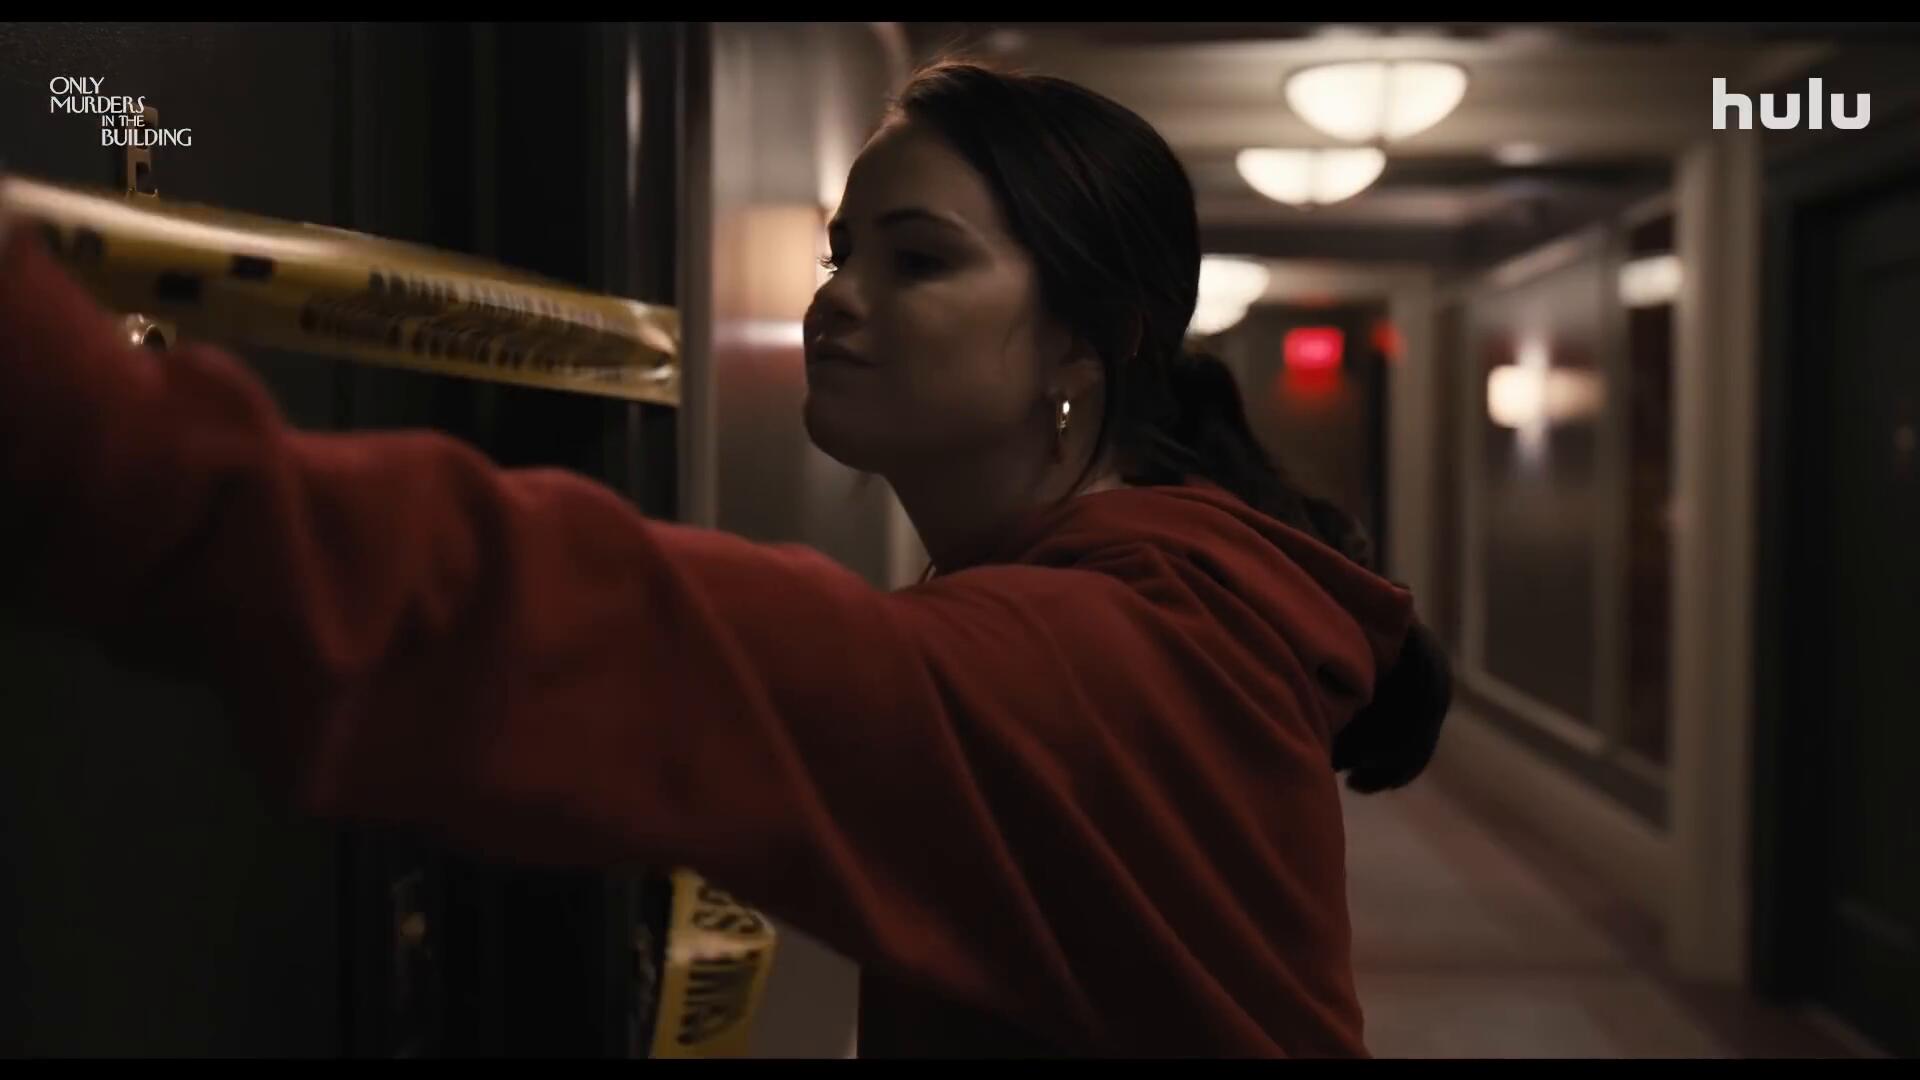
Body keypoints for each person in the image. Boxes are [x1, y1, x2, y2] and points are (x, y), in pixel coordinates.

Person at [0, 60, 1449, 1058]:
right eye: (840, 253)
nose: (837, 301)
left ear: (1089, 339)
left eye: (919, 260)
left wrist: (90, 432)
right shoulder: (1139, 597)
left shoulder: (1111, 661)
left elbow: (620, 638)